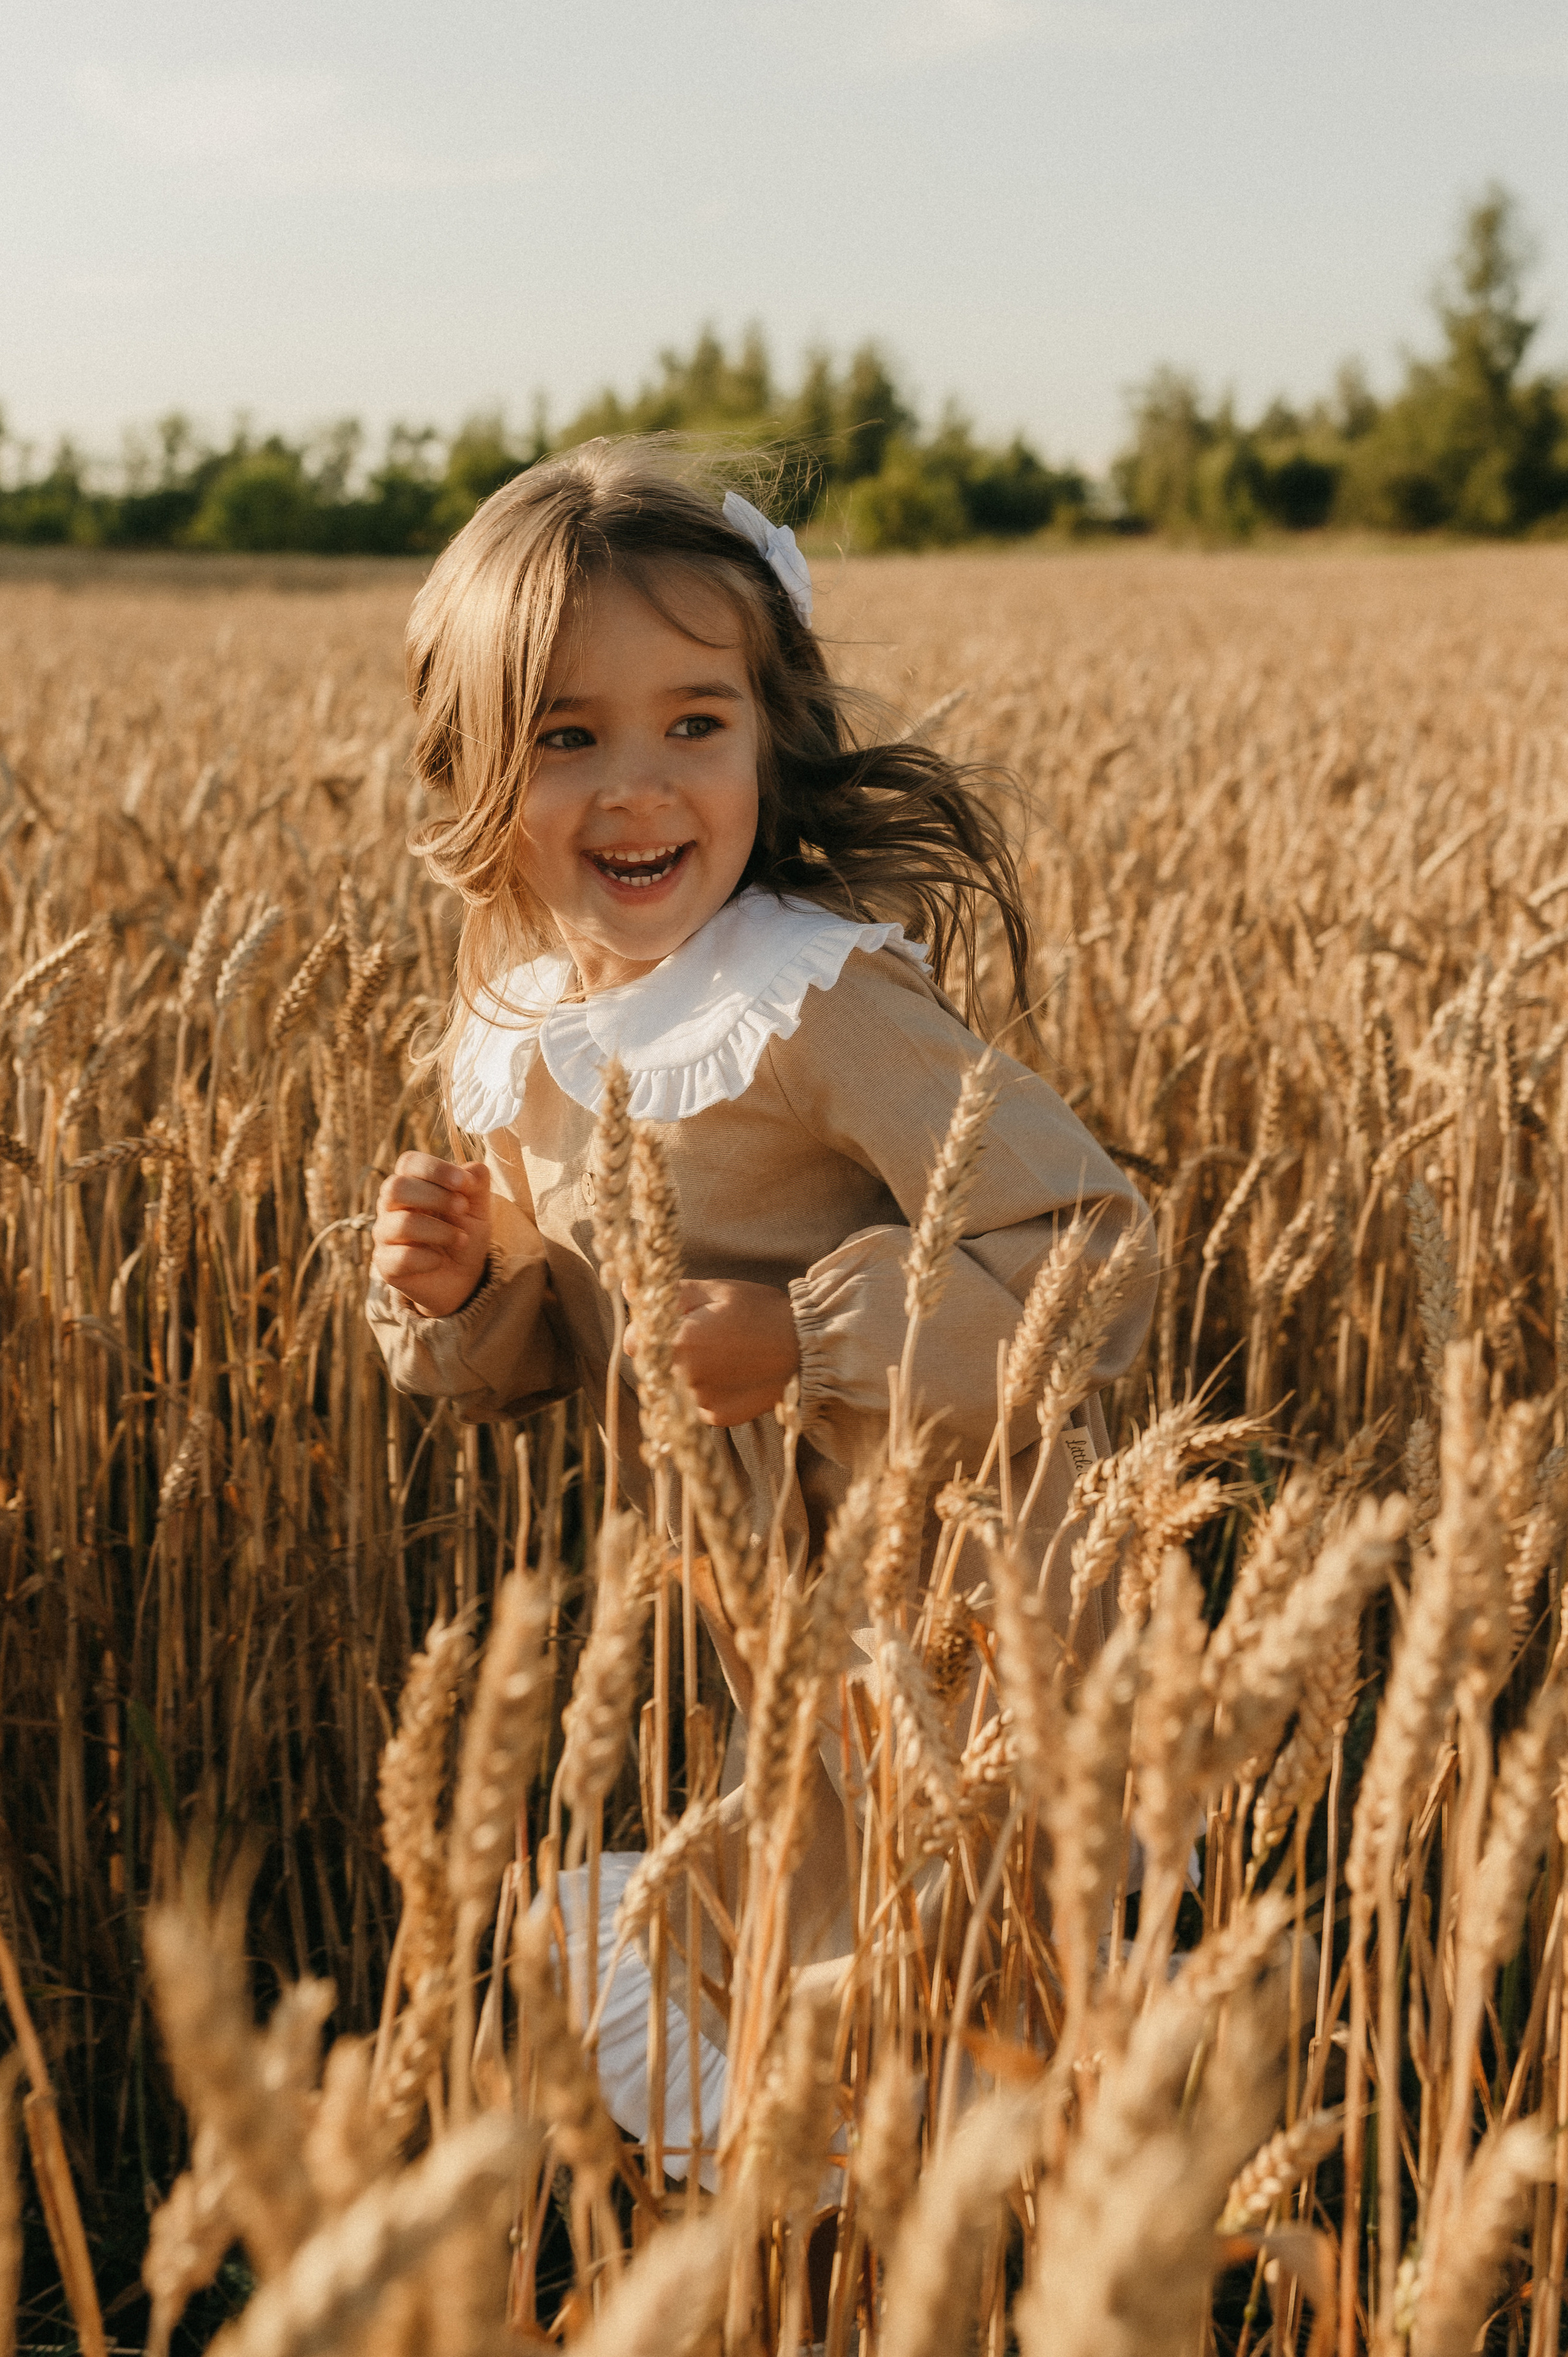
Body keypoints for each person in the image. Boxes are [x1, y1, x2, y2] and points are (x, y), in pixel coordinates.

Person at [366, 440, 1157, 2170]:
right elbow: (576, 1342)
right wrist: (464, 1290)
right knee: (816, 1960)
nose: (637, 788)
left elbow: (1094, 1245)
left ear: (769, 732)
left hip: (960, 1588)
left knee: (939, 1973)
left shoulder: (818, 999)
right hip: (783, 1609)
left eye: (693, 723)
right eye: (566, 735)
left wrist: (809, 1339)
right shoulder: (519, 1030)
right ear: (476, 773)